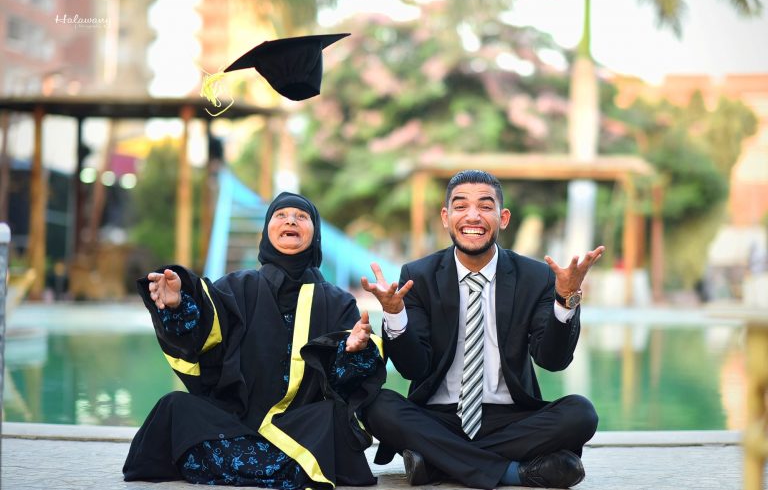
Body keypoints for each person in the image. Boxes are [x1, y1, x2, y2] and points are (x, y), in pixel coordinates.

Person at [360, 169, 605, 489]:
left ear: (503, 218)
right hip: (439, 417)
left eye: (485, 206)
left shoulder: (536, 277)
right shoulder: (418, 275)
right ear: (446, 217)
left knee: (581, 413)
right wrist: (393, 313)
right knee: (377, 404)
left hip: (512, 417)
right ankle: (514, 473)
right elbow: (412, 368)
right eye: (461, 206)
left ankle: (437, 464)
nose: (473, 216)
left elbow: (552, 360)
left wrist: (565, 300)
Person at [123, 192, 386, 489]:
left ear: (315, 235)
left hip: (300, 425)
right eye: (281, 215)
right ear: (267, 231)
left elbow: (350, 382)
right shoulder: (237, 286)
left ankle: (242, 466)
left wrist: (352, 351)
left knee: (331, 418)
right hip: (234, 420)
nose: (290, 220)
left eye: (302, 217)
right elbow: (204, 339)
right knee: (173, 408)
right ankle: (284, 468)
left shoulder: (337, 302)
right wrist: (179, 305)